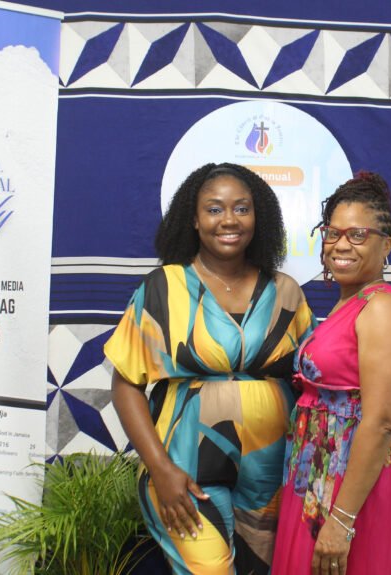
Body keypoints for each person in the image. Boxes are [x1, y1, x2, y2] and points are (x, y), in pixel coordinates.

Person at [104, 163, 314, 574]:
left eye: (242, 208)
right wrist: (161, 470)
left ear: (259, 217)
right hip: (184, 467)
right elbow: (126, 385)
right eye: (214, 209)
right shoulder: (162, 287)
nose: (229, 220)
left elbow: (308, 379)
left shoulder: (285, 291)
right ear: (194, 220)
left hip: (272, 473)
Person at [273, 172, 391, 575]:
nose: (340, 244)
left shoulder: (383, 309)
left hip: (353, 493)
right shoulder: (348, 304)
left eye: (357, 234)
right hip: (320, 479)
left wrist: (341, 520)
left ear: (385, 245)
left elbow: (384, 421)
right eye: (332, 232)